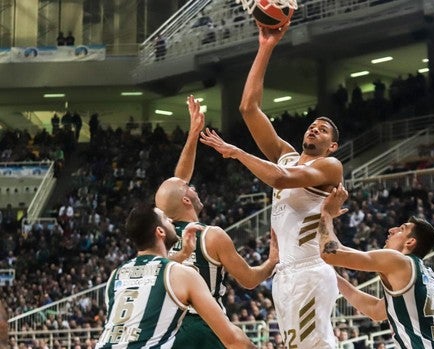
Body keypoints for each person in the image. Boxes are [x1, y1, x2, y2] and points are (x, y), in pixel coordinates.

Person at [199, 24, 343, 348]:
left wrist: (237, 153)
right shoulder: (286, 155)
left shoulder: (330, 167)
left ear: (332, 146)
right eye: (312, 126)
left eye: (322, 131)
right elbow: (249, 108)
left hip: (310, 268)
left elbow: (279, 179)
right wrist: (266, 46)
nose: (314, 130)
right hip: (285, 273)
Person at [155, 96, 279, 349]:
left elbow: (175, 187)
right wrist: (271, 262)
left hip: (168, 330)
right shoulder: (211, 236)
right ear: (187, 201)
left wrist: (193, 136)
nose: (194, 188)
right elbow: (249, 280)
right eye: (191, 189)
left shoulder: (158, 234)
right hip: (205, 324)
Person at [94, 204, 255, 349]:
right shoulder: (181, 274)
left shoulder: (116, 275)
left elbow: (155, 270)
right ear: (160, 231)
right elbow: (233, 340)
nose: (171, 220)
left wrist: (184, 253)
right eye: (165, 218)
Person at [317, 184, 434, 349]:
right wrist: (333, 276)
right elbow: (375, 310)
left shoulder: (399, 260)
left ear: (410, 242)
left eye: (401, 229)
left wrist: (325, 213)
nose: (391, 230)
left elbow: (330, 252)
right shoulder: (428, 277)